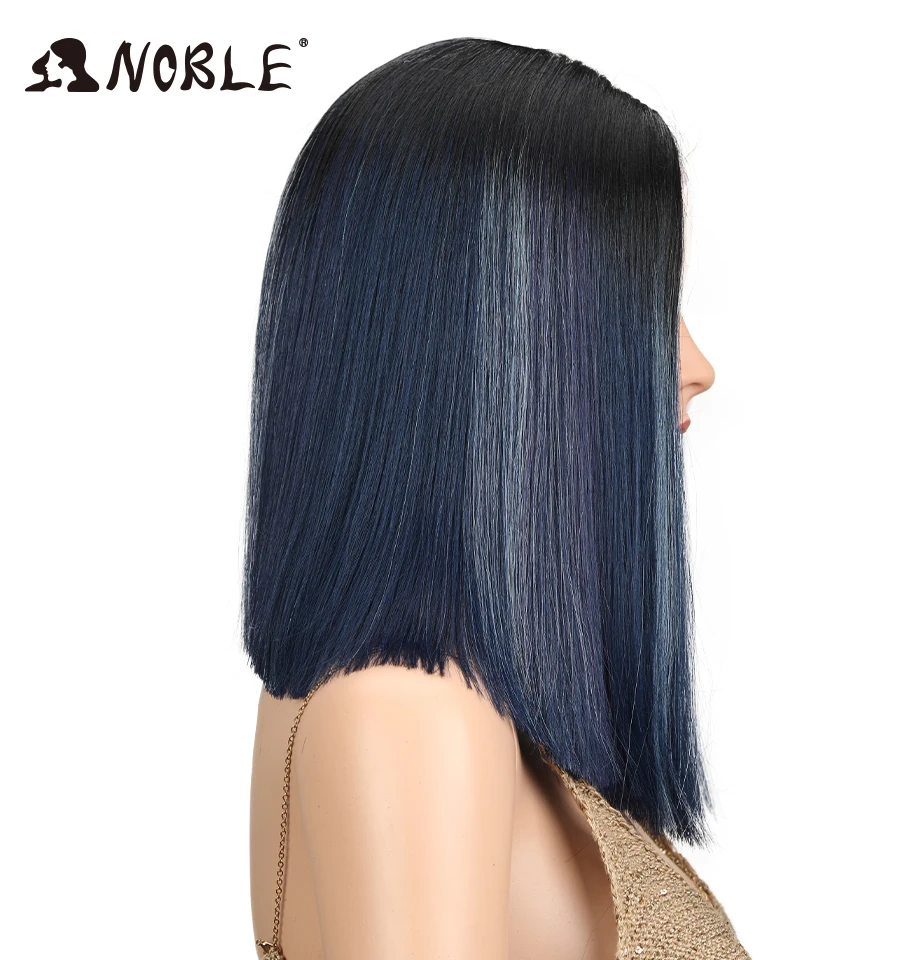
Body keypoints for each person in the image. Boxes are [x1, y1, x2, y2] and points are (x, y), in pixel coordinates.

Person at [245, 37, 745, 960]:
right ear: (500, 345)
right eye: (644, 302)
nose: (696, 365)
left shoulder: (432, 705)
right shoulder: (412, 718)